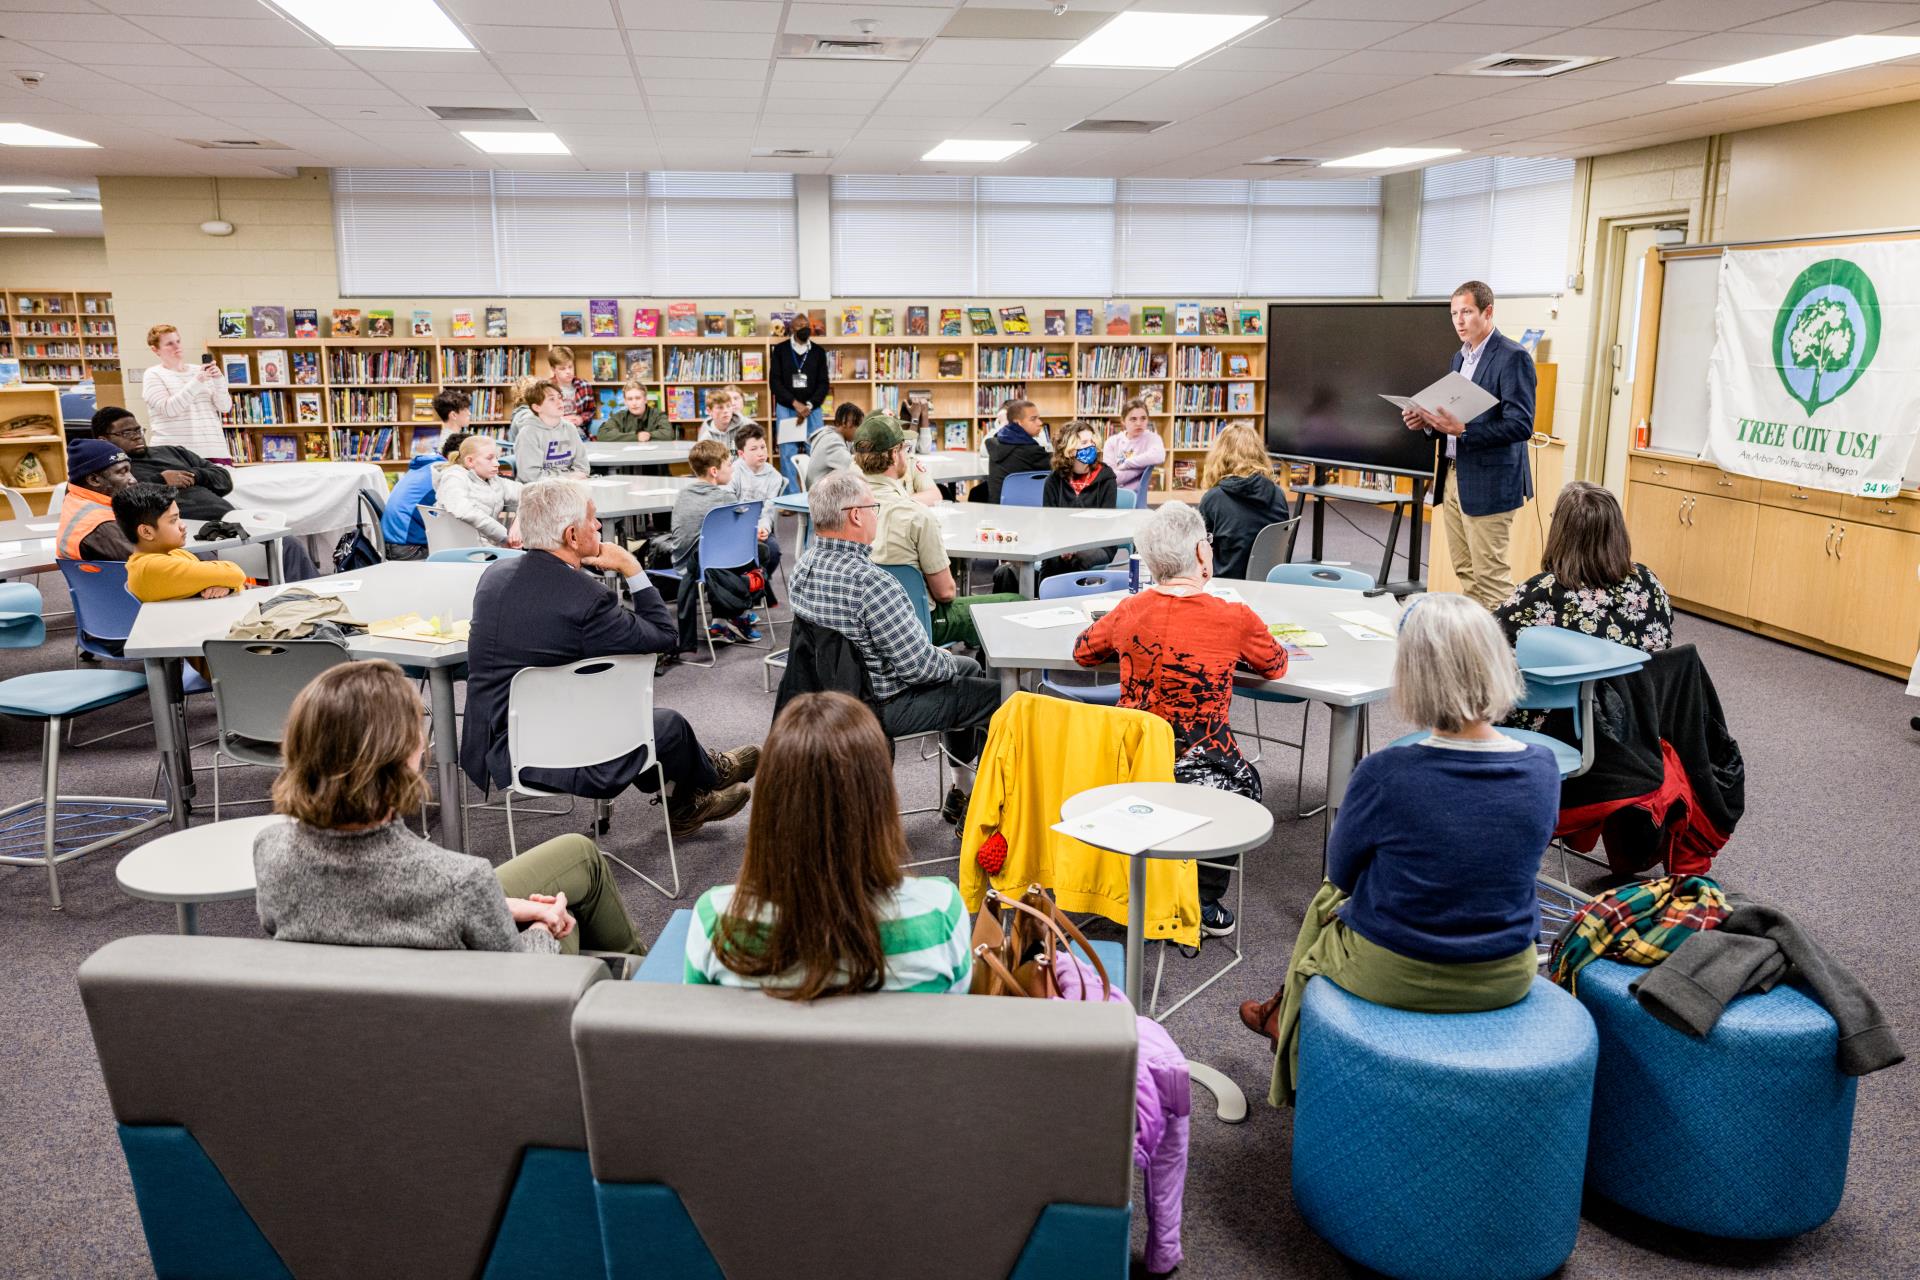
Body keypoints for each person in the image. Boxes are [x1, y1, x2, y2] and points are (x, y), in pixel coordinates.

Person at [1239, 593, 1556, 1107]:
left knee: (1326, 900)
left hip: (1396, 970)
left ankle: (1287, 1035)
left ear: (1412, 674)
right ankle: (1282, 1017)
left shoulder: (1387, 773)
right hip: (1506, 971)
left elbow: (1342, 871)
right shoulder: (1542, 767)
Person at [256, 660, 646, 958]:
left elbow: (366, 906)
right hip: (467, 1039)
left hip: (356, 1026)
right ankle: (646, 997)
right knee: (565, 919)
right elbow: (521, 988)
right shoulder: (459, 881)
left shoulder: (270, 850)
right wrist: (544, 930)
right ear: (406, 758)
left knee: (577, 852)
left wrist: (509, 906)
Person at [461, 478, 758, 837]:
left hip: (499, 739)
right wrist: (631, 567)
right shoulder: (586, 598)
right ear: (572, 536)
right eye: (593, 519)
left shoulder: (494, 576)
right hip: (555, 753)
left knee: (627, 711)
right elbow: (665, 637)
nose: (599, 526)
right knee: (666, 724)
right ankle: (709, 776)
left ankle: (687, 798)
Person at [1071, 502, 1286, 937]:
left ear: (1150, 563)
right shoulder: (1235, 617)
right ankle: (1203, 899)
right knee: (1246, 786)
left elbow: (1083, 652)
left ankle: (1135, 881)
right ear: (1203, 555)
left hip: (1129, 762)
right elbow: (1276, 665)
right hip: (1204, 768)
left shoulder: (1129, 610)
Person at [684, 691, 973, 996]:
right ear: (881, 799)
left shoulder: (716, 921)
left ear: (771, 803)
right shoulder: (940, 912)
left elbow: (702, 1037)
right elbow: (956, 1029)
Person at [790, 469, 1002, 818]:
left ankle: (962, 789)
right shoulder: (873, 583)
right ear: (856, 516)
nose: (878, 513)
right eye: (873, 506)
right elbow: (918, 668)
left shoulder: (804, 567)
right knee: (1000, 698)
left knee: (971, 670)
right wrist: (946, 657)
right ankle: (982, 806)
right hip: (881, 703)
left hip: (829, 694)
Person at [1400, 279, 1537, 609]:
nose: (1459, 321)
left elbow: (1521, 424)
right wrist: (1427, 423)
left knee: (1490, 576)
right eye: (1453, 314)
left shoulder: (1512, 357)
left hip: (1490, 481)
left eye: (1466, 312)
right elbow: (1450, 416)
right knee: (1466, 572)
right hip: (1452, 475)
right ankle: (1478, 647)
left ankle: (1502, 654)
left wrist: (1463, 432)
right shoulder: (1459, 359)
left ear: (1487, 312)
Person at [854, 413, 1018, 650]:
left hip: (863, 623)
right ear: (893, 454)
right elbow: (945, 593)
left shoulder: (847, 509)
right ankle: (988, 677)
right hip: (916, 623)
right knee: (1015, 603)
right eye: (904, 448)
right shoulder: (916, 516)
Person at [662, 439, 770, 646]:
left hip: (681, 563)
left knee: (734, 558)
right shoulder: (724, 498)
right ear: (714, 470)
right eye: (728, 464)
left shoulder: (683, 494)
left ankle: (722, 621)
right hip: (706, 567)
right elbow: (739, 541)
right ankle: (734, 615)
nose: (732, 468)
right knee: (760, 553)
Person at [90, 405, 233, 522]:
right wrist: (162, 480)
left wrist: (194, 476)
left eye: (138, 430)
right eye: (126, 433)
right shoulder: (109, 470)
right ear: (103, 441)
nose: (137, 436)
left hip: (229, 517)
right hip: (186, 529)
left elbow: (224, 480)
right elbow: (120, 499)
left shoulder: (173, 451)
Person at [113, 483, 247, 603]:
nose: (183, 525)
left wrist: (228, 587)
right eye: (173, 520)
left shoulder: (174, 554)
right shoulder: (152, 568)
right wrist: (231, 584)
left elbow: (236, 582)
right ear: (147, 532)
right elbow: (236, 573)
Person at [1198, 424, 1292, 581]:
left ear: (1219, 455)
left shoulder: (1213, 500)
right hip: (1267, 585)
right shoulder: (1278, 494)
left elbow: (1198, 552)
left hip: (1225, 587)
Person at [381, 418, 472, 562]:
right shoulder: (445, 474)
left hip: (394, 542)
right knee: (470, 552)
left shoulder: (429, 465)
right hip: (408, 548)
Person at [1040, 420, 1119, 581]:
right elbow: (1050, 520)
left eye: (1092, 442)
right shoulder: (1053, 480)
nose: (1091, 446)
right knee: (1052, 559)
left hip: (1098, 543)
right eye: (1084, 443)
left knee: (1078, 559)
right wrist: (1065, 545)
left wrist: (1076, 546)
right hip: (1062, 542)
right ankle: (1045, 599)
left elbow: (1106, 522)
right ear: (1069, 450)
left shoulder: (1106, 477)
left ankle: (1071, 599)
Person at [140, 323, 231, 460]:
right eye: (169, 343)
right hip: (175, 455)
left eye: (178, 341)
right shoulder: (153, 374)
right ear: (155, 350)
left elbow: (224, 407)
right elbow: (169, 409)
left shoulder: (198, 371)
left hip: (214, 451)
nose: (177, 346)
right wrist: (197, 382)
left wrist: (219, 380)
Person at [770, 315, 830, 490]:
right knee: (787, 454)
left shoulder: (818, 352)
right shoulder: (780, 350)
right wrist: (795, 404)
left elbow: (823, 383)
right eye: (800, 326)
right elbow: (775, 382)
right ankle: (791, 497)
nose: (805, 328)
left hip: (813, 410)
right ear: (792, 329)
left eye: (807, 325)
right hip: (787, 409)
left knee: (816, 453)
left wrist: (809, 405)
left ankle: (816, 496)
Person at [55, 438, 139, 560]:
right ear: (94, 480)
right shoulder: (102, 525)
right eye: (122, 472)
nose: (133, 480)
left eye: (129, 471)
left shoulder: (75, 497)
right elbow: (154, 565)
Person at [435, 435, 522, 548]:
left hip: (488, 548)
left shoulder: (493, 480)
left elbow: (530, 494)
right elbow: (465, 511)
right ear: (470, 461)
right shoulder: (453, 478)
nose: (497, 463)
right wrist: (504, 536)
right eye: (489, 458)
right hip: (461, 548)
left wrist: (518, 523)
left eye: (497, 458)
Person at [728, 420, 786, 569]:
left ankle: (760, 582)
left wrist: (763, 529)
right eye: (754, 449)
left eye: (763, 447)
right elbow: (729, 504)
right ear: (741, 454)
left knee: (772, 551)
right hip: (734, 527)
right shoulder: (732, 472)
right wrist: (746, 529)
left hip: (759, 526)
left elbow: (769, 510)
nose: (761, 452)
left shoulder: (774, 476)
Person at [512, 378, 589, 484]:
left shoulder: (570, 428)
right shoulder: (528, 434)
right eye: (551, 399)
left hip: (570, 486)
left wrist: (573, 478)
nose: (559, 402)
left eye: (560, 397)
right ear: (537, 407)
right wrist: (567, 477)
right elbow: (530, 476)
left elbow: (583, 467)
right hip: (538, 491)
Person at [984, 398, 1051, 503]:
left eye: (1039, 418)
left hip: (998, 508)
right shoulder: (1030, 451)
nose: (1040, 423)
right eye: (1033, 419)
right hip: (1027, 510)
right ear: (1018, 423)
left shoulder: (997, 442)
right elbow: (1059, 465)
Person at [1103, 399, 1165, 499]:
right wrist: (1142, 467)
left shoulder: (1152, 438)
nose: (1138, 423)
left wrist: (1127, 464)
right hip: (1111, 495)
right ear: (1123, 421)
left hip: (1135, 497)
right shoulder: (1112, 442)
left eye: (1143, 418)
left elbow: (1159, 456)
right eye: (1133, 419)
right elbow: (1111, 479)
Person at [598, 378, 673, 442]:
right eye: (630, 399)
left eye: (638, 398)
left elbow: (668, 434)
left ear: (645, 399)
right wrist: (636, 436)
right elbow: (602, 434)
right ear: (625, 402)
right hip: (627, 456)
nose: (634, 403)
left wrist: (649, 435)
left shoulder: (658, 414)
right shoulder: (619, 416)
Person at [545, 345, 597, 436]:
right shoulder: (546, 388)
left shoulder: (584, 386)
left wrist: (581, 419)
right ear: (553, 369)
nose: (568, 371)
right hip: (553, 432)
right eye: (562, 368)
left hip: (578, 432)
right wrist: (561, 420)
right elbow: (541, 415)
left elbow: (591, 409)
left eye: (570, 367)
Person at [807, 400, 858, 481]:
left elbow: (855, 452)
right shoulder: (832, 441)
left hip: (825, 486)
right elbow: (852, 467)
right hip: (821, 490)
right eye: (858, 427)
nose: (860, 432)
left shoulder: (839, 436)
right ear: (846, 423)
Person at [696, 385, 754, 450]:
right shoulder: (706, 431)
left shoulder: (748, 424)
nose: (726, 411)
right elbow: (701, 457)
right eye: (720, 407)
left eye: (728, 406)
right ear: (709, 411)